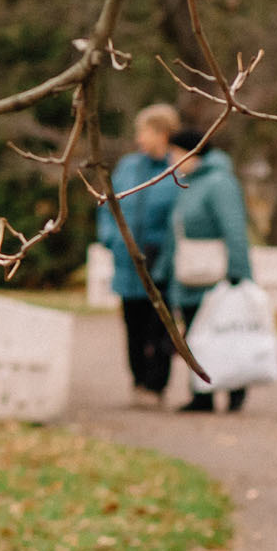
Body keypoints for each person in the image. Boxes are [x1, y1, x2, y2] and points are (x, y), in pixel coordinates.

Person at [158, 125, 255, 413]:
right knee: (195, 337)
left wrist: (238, 274)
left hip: (216, 278)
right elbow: (177, 233)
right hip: (191, 277)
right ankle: (202, 394)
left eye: (174, 153)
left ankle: (234, 388)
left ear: (191, 153)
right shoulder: (191, 183)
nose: (170, 160)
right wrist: (163, 272)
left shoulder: (218, 183)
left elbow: (234, 229)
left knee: (223, 335)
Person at [96, 102, 182, 407]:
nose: (139, 138)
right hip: (127, 265)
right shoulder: (128, 167)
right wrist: (109, 238)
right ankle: (138, 382)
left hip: (160, 266)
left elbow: (180, 217)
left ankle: (156, 385)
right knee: (133, 327)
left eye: (144, 131)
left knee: (160, 328)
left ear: (162, 133)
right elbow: (109, 206)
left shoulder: (176, 171)